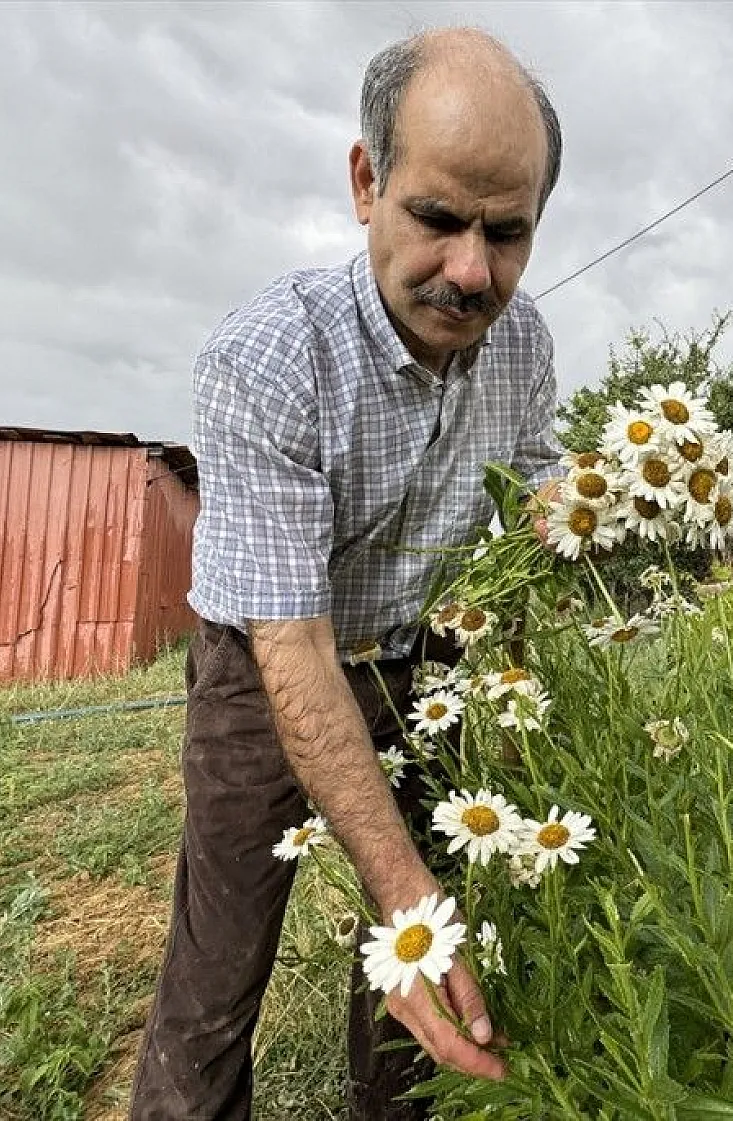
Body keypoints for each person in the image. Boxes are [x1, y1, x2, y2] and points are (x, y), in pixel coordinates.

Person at [128, 26, 565, 1121]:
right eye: (437, 218)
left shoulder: (524, 346)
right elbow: (293, 645)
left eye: (506, 234)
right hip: (269, 666)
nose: (471, 270)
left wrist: (604, 506)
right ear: (366, 181)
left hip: (429, 662)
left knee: (425, 949)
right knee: (221, 961)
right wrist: (397, 876)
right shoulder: (267, 359)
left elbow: (534, 494)